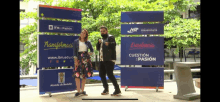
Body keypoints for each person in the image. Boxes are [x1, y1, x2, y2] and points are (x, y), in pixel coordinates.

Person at [96, 26, 121, 95]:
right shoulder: (101, 39)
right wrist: (98, 43)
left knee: (110, 74)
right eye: (101, 31)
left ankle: (117, 89)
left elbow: (114, 44)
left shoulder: (110, 37)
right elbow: (98, 48)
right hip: (102, 59)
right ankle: (106, 89)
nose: (102, 32)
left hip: (109, 59)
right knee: (101, 74)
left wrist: (109, 44)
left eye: (103, 31)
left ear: (106, 31)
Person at [73, 29, 94, 97]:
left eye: (84, 33)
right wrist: (75, 61)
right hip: (78, 59)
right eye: (82, 32)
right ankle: (78, 91)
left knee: (84, 75)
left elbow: (92, 50)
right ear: (80, 33)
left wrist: (89, 53)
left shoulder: (88, 42)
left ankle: (82, 91)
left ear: (86, 35)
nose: (82, 34)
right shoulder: (76, 41)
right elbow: (74, 52)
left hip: (86, 59)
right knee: (77, 75)